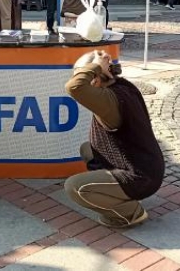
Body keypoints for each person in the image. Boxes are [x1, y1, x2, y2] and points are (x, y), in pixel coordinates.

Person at [64, 51, 165, 228]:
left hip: (140, 176)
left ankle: (130, 213)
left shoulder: (109, 100)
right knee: (88, 149)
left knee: (74, 187)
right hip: (147, 165)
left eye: (84, 73)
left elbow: (74, 87)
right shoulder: (120, 85)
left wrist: (95, 66)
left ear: (95, 79)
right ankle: (113, 191)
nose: (79, 77)